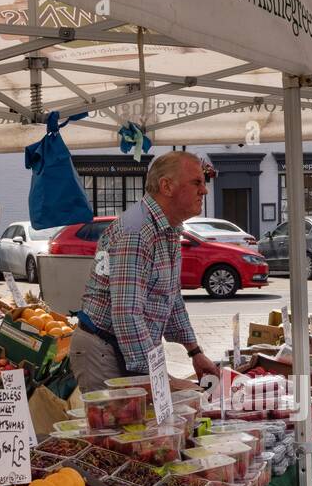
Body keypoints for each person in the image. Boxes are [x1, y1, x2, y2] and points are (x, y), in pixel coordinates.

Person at [69, 151, 219, 390]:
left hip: (123, 347)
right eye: (196, 182)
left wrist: (195, 352)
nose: (204, 190)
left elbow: (170, 297)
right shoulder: (136, 232)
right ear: (167, 186)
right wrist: (164, 381)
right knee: (119, 426)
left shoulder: (168, 228)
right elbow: (127, 315)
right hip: (104, 350)